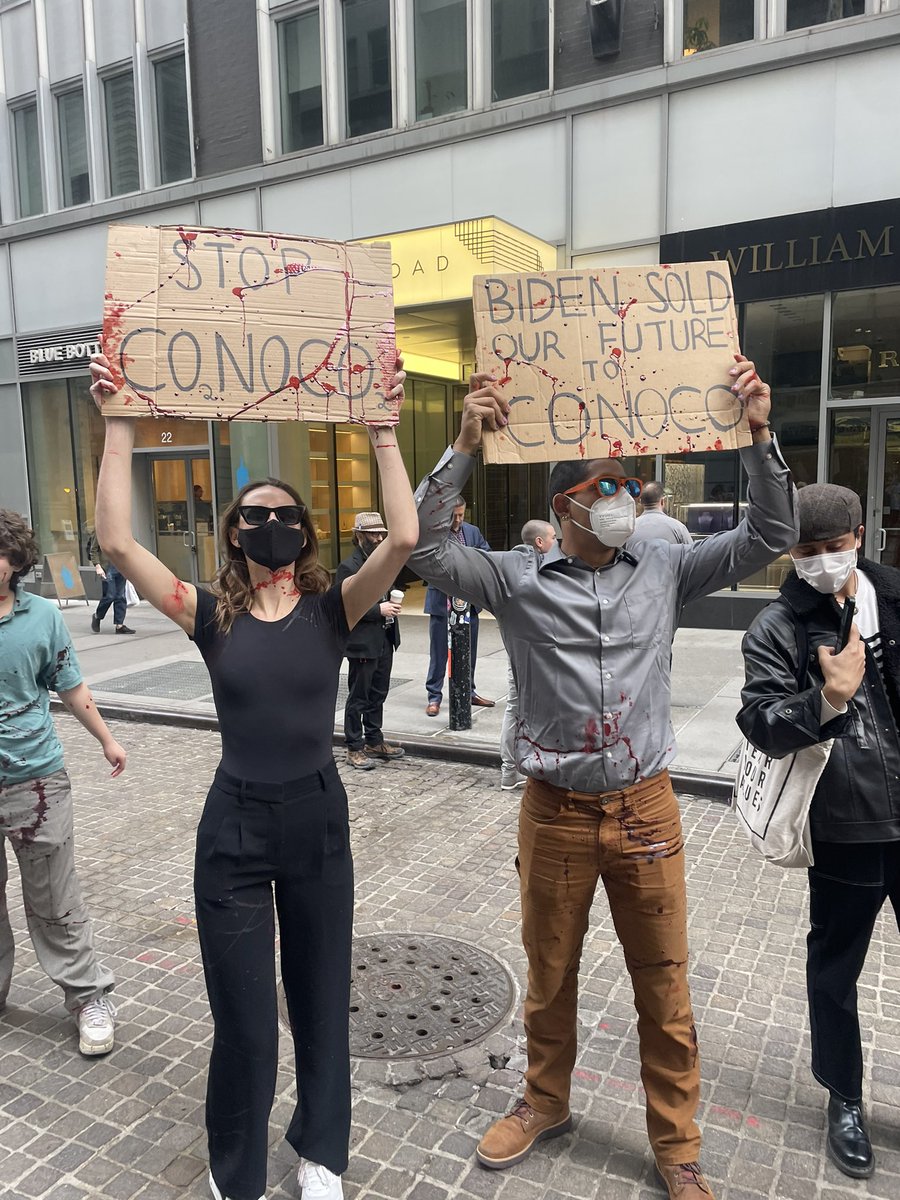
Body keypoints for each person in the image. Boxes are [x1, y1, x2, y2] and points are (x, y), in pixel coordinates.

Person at [409, 357, 797, 1200]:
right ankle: (545, 1102)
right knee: (549, 974)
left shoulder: (664, 569)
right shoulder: (514, 582)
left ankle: (678, 1143)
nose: (627, 495)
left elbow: (770, 536)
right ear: (567, 504)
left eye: (631, 482)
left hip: (647, 809)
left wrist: (760, 433)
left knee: (664, 981)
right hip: (554, 815)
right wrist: (464, 444)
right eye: (609, 484)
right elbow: (426, 545)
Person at [90, 352, 417, 1200]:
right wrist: (121, 420)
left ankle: (321, 1152)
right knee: (242, 1022)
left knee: (318, 1000)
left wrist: (383, 433)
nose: (269, 523)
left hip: (317, 820)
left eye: (285, 514)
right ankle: (235, 1170)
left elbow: (408, 537)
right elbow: (117, 541)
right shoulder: (208, 613)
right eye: (254, 514)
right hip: (232, 828)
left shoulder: (334, 606)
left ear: (304, 533)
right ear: (235, 531)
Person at [737, 483, 900, 1182]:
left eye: (834, 549)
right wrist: (826, 698)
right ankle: (845, 1097)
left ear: (860, 536)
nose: (823, 563)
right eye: (807, 553)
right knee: (835, 971)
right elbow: (761, 723)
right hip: (846, 824)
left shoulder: (892, 596)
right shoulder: (776, 626)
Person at [0, 508, 125, 1057]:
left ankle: (88, 996)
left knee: (54, 896)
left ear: (15, 561)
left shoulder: (43, 616)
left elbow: (70, 685)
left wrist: (106, 739)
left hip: (35, 779)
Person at [336, 512, 405, 771]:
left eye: (381, 534)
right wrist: (379, 610)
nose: (378, 538)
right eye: (373, 534)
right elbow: (343, 606)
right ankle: (354, 746)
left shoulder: (383, 561)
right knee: (359, 696)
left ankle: (374, 740)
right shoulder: (349, 566)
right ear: (359, 536)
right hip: (363, 642)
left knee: (379, 692)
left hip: (385, 638)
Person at [499, 520, 556, 790]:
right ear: (539, 542)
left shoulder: (515, 565)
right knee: (517, 707)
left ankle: (513, 769)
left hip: (522, 650)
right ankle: (511, 770)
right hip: (527, 652)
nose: (556, 543)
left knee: (518, 707)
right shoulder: (531, 568)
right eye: (553, 538)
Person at [424, 496, 493, 716]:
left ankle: (469, 692)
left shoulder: (472, 532)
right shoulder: (433, 534)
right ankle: (434, 697)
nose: (457, 520)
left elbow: (486, 554)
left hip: (468, 604)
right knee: (439, 653)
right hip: (441, 604)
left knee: (469, 651)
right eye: (453, 516)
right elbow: (426, 562)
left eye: (461, 515)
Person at [88, 529, 135, 635]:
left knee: (121, 597)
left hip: (121, 567)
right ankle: (97, 616)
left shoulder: (119, 528)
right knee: (110, 596)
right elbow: (93, 550)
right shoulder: (100, 530)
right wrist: (97, 566)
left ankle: (119, 625)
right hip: (107, 568)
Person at [629, 481, 692, 547]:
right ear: (662, 501)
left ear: (641, 502)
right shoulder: (678, 528)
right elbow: (691, 554)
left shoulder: (630, 528)